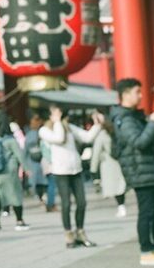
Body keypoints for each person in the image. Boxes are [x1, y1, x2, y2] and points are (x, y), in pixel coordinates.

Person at [110, 78, 154, 267]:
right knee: (147, 212)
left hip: (149, 169)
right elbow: (139, 142)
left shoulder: (134, 116)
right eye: (137, 92)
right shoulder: (124, 118)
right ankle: (146, 251)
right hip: (138, 170)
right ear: (125, 94)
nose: (140, 96)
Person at [39, 106, 102, 248]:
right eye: (55, 112)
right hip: (61, 171)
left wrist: (97, 124)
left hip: (76, 169)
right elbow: (59, 138)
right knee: (66, 204)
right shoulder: (45, 130)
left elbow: (87, 137)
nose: (59, 114)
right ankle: (68, 234)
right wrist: (57, 122)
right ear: (50, 115)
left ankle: (80, 231)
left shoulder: (69, 127)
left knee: (82, 202)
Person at [89, 112, 128, 217]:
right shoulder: (116, 131)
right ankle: (122, 206)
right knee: (120, 185)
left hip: (108, 164)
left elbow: (96, 152)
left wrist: (93, 168)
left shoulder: (101, 134)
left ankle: (121, 207)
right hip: (119, 161)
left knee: (115, 187)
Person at [23, 115, 46, 205]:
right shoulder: (42, 133)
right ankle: (42, 195)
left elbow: (25, 150)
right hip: (42, 159)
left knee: (35, 179)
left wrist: (24, 163)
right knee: (43, 179)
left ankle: (37, 195)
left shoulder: (29, 135)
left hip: (31, 160)